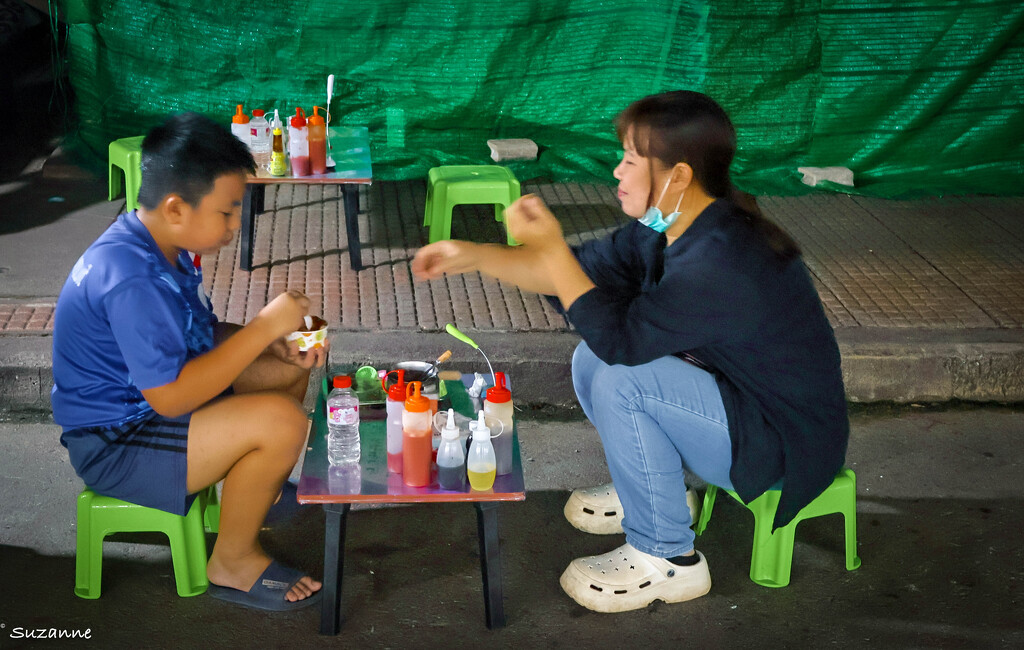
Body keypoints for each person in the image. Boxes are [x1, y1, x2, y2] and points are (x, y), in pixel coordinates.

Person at [411, 90, 849, 613]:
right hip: (737, 406)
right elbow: (573, 274)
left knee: (623, 376)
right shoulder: (669, 227)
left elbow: (619, 338)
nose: (616, 172)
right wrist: (477, 254)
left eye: (630, 161)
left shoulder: (723, 260)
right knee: (591, 359)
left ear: (680, 175)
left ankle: (669, 558)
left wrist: (548, 249)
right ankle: (653, 491)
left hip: (783, 442)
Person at [52, 112, 326, 611]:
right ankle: (232, 561)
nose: (233, 226)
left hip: (152, 409)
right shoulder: (132, 277)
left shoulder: (163, 247)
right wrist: (265, 327)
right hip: (117, 441)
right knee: (283, 421)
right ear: (177, 208)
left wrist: (274, 344)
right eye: (226, 212)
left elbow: (200, 337)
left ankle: (245, 494)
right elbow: (173, 393)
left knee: (286, 366)